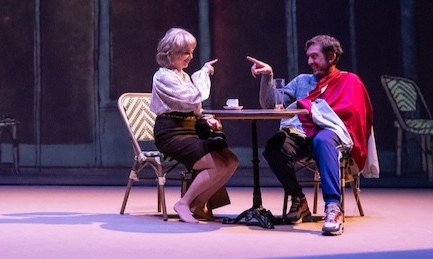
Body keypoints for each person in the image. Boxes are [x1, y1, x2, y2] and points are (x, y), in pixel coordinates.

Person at [248, 34, 373, 236]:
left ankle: (333, 207)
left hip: (330, 136)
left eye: (314, 56)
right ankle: (298, 199)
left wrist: (319, 115)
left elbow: (355, 115)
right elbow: (272, 105)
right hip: (301, 134)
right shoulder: (302, 81)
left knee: (323, 139)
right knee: (274, 148)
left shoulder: (350, 81)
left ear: (331, 57)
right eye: (308, 57)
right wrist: (268, 76)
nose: (309, 61)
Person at [151, 28, 239, 223]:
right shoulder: (163, 76)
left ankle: (199, 205)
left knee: (231, 160)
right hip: (171, 133)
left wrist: (206, 119)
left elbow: (195, 109)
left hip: (190, 131)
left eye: (191, 52)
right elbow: (192, 99)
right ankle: (184, 203)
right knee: (215, 165)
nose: (190, 57)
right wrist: (203, 75)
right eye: (185, 52)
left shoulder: (183, 76)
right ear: (170, 53)